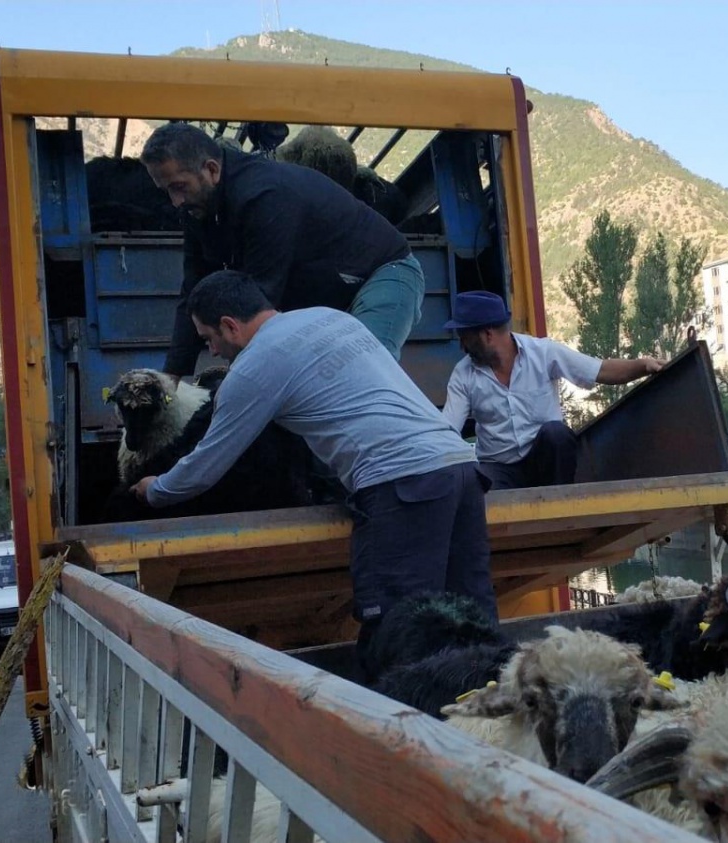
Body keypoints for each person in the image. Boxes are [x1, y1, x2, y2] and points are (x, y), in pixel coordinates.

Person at [131, 270, 496, 669]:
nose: (213, 352)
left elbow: (206, 465)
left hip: (402, 485)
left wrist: (156, 489)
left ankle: (392, 712)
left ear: (230, 326)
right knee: (472, 621)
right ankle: (487, 702)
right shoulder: (330, 318)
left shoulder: (253, 368)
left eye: (208, 339)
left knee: (397, 634)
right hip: (461, 469)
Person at [140, 122, 424, 381]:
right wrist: (171, 378)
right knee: (307, 389)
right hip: (323, 293)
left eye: (179, 187)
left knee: (361, 375)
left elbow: (258, 302)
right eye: (167, 191)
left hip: (380, 273)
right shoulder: (197, 210)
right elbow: (194, 291)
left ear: (212, 170)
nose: (175, 201)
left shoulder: (264, 195)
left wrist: (238, 385)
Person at [441, 291, 664, 490]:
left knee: (556, 434)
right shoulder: (463, 374)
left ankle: (561, 505)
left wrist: (643, 366)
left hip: (545, 465)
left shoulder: (544, 353)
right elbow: (448, 430)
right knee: (479, 485)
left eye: (465, 338)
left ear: (487, 335)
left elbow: (600, 370)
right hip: (498, 468)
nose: (462, 346)